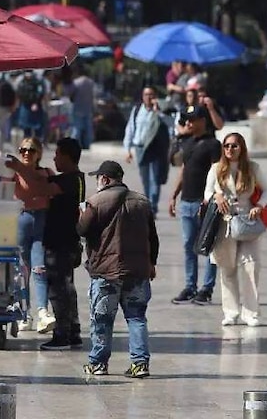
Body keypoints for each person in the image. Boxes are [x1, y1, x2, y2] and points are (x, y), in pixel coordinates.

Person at [77, 161, 159, 378]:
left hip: (106, 272)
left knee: (102, 319)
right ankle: (140, 363)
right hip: (138, 271)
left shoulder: (94, 203)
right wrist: (152, 263)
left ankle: (98, 363)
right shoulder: (142, 202)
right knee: (137, 317)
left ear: (104, 179)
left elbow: (82, 230)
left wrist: (82, 213)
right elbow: (153, 237)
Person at [206, 133, 267, 327]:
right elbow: (207, 191)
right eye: (226, 146)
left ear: (241, 148)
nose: (230, 150)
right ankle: (231, 312)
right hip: (225, 223)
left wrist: (259, 205)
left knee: (251, 266)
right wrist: (216, 197)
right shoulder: (216, 169)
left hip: (247, 221)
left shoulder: (252, 168)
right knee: (227, 268)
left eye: (234, 146)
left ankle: (251, 313)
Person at [0, 137, 54, 333]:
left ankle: (43, 312)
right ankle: (24, 313)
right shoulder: (15, 174)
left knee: (39, 267)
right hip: (21, 219)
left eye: (31, 150)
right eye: (22, 150)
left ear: (39, 153)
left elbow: (42, 184)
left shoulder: (46, 173)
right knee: (22, 269)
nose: (26, 153)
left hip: (42, 223)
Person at [34, 138, 86, 351]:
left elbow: (41, 189)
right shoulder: (77, 179)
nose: (54, 158)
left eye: (57, 154)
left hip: (61, 243)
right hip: (69, 242)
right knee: (67, 288)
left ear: (67, 156)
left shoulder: (69, 181)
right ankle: (73, 330)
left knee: (58, 289)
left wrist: (20, 169)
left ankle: (62, 334)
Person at [168, 106, 221, 305]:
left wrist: (211, 199)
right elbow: (183, 169)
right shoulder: (188, 142)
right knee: (188, 245)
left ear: (202, 121)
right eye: (186, 120)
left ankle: (206, 288)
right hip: (186, 201)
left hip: (204, 202)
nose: (188, 123)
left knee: (207, 246)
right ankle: (190, 286)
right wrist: (174, 194)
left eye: (192, 119)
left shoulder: (213, 145)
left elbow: (218, 173)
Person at [124, 86, 172, 215]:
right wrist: (128, 149)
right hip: (140, 148)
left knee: (155, 178)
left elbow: (172, 124)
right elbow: (130, 129)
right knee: (145, 179)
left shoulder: (162, 110)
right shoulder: (137, 110)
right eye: (146, 94)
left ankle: (153, 206)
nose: (149, 97)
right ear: (142, 96)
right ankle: (148, 203)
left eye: (151, 95)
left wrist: (159, 112)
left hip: (156, 148)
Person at [69, 66, 97, 149]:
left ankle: (74, 144)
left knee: (77, 127)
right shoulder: (91, 82)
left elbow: (71, 95)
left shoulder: (76, 82)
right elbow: (93, 96)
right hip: (88, 108)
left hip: (77, 108)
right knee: (88, 127)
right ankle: (87, 144)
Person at [16, 71, 47, 140]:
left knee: (32, 128)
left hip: (30, 106)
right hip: (29, 106)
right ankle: (32, 145)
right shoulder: (38, 78)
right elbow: (42, 92)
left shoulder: (22, 78)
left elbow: (41, 92)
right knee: (31, 128)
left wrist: (36, 103)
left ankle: (32, 144)